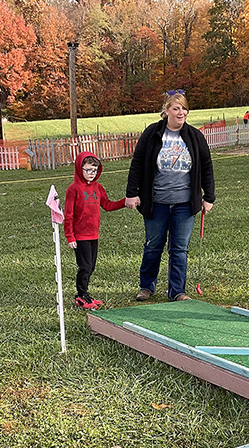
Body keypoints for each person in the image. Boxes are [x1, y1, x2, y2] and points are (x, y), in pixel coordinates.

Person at [125, 91, 215, 302]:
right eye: (176, 108)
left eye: (184, 108)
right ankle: (146, 286)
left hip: (185, 203)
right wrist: (132, 194)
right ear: (166, 111)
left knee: (179, 249)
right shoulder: (152, 133)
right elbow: (137, 163)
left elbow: (206, 166)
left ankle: (177, 291)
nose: (181, 112)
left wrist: (209, 197)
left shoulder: (194, 136)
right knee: (153, 245)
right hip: (156, 202)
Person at [64, 152, 126, 310]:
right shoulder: (73, 189)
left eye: (94, 170)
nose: (91, 174)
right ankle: (80, 296)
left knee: (91, 266)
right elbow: (69, 215)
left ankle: (85, 294)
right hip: (80, 235)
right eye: (88, 170)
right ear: (80, 169)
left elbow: (107, 205)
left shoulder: (98, 188)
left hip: (93, 234)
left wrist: (125, 202)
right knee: (84, 266)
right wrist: (70, 236)